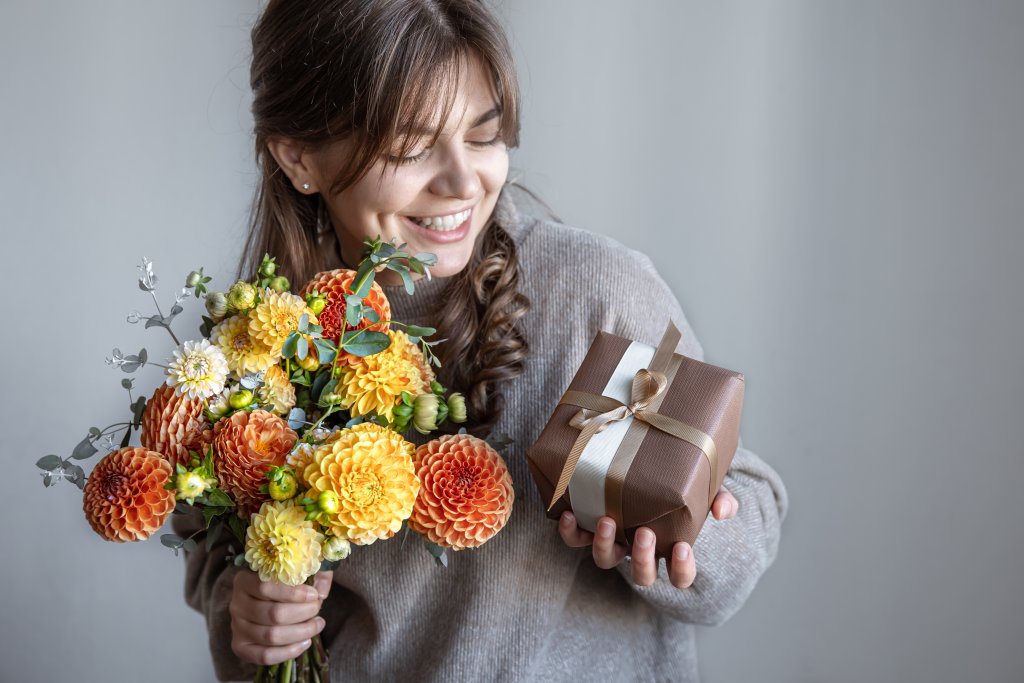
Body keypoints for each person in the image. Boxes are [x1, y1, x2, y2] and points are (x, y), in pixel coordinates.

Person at [174, 1, 789, 681]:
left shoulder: (594, 293)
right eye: (410, 148)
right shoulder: (261, 339)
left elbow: (745, 523)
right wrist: (242, 603)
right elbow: (212, 544)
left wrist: (689, 537)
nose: (464, 182)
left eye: (484, 136)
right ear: (299, 158)